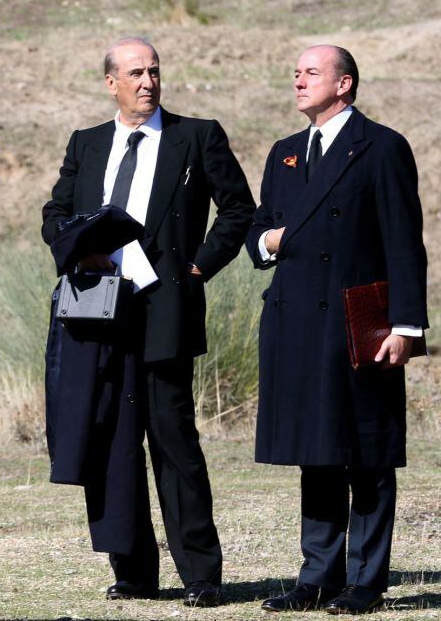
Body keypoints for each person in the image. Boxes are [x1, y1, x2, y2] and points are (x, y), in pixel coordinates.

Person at [41, 37, 255, 607]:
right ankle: (133, 572)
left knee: (174, 443)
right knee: (111, 445)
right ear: (110, 82)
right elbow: (55, 213)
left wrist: (199, 266)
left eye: (154, 71)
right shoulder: (86, 144)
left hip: (165, 310)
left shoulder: (197, 136)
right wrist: (77, 252)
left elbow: (239, 209)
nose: (148, 82)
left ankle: (202, 576)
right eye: (135, 73)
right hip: (99, 314)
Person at [246, 45, 428, 615]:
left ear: (344, 84)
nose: (298, 80)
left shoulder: (382, 147)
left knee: (367, 453)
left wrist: (406, 325)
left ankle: (367, 581)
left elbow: (404, 242)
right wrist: (268, 243)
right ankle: (317, 577)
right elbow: (258, 231)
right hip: (296, 322)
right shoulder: (284, 154)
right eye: (295, 71)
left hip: (360, 324)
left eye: (311, 73)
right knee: (316, 451)